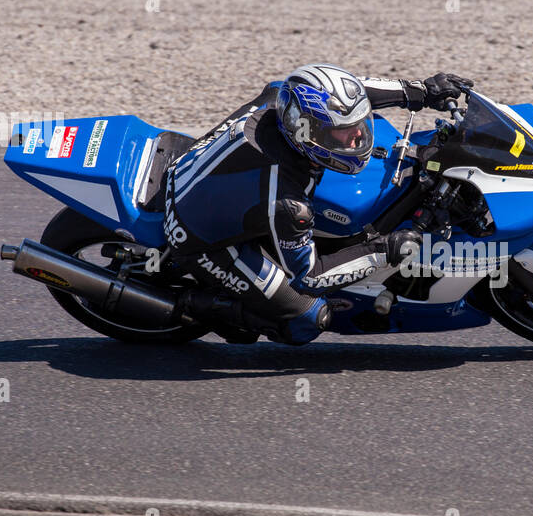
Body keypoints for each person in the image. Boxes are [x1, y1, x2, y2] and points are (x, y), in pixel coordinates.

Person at [165, 64, 473, 344]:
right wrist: (383, 251)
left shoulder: (284, 96)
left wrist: (417, 91)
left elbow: (356, 92)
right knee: (309, 317)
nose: (357, 137)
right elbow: (310, 277)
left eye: (358, 124)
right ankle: (196, 306)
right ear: (308, 134)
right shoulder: (288, 202)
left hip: (200, 172)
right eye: (343, 133)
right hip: (199, 237)